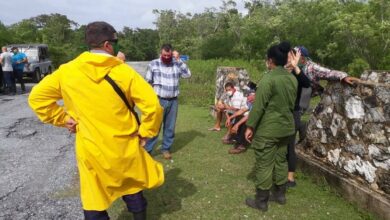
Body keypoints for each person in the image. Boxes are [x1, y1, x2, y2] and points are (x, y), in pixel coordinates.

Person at [28, 21, 164, 220]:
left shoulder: (67, 71)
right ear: (108, 45)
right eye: (116, 43)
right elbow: (153, 106)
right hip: (123, 146)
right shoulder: (123, 72)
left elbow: (37, 98)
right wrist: (145, 132)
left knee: (93, 196)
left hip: (90, 148)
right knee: (131, 185)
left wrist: (62, 118)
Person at [245, 41, 297, 212]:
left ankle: (261, 201)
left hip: (269, 129)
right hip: (287, 127)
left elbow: (259, 106)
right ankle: (280, 195)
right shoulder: (291, 78)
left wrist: (250, 126)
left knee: (264, 163)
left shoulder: (269, 78)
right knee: (281, 160)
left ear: (270, 60)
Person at [144, 44, 191, 160]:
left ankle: (166, 149)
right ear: (161, 53)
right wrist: (150, 99)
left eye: (168, 55)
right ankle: (148, 150)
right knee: (155, 126)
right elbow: (147, 82)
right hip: (159, 99)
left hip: (173, 100)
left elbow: (188, 74)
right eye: (164, 55)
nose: (166, 57)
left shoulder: (176, 63)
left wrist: (179, 60)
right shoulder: (153, 64)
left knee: (170, 127)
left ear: (172, 54)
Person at [283, 49, 311, 187]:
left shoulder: (297, 72)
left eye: (291, 56)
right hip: (279, 113)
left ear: (296, 58)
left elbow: (306, 83)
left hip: (292, 113)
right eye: (286, 56)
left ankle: (290, 178)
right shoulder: (280, 71)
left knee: (290, 145)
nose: (288, 58)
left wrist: (294, 67)